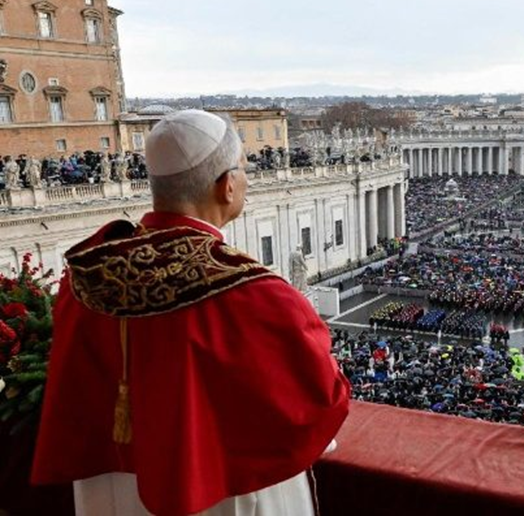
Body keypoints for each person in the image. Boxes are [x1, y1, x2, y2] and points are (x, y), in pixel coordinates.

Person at [32, 110, 351, 516]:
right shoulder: (256, 294)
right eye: (243, 169)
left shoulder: (87, 275)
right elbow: (322, 398)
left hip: (109, 488)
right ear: (227, 186)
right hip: (220, 488)